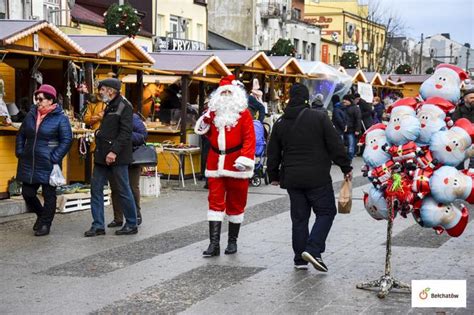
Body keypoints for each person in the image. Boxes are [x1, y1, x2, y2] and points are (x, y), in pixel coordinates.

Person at [267, 83, 352, 271]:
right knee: (326, 212)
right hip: (317, 177)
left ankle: (299, 259)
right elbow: (334, 144)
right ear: (307, 98)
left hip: (292, 178)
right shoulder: (319, 117)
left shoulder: (281, 122)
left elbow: (272, 151)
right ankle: (313, 248)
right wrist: (346, 166)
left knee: (299, 218)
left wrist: (273, 175)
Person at [194, 74, 256, 257]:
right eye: (224, 92)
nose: (227, 96)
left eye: (230, 92)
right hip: (215, 163)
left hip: (237, 164)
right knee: (214, 203)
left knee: (236, 203)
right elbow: (202, 131)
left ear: (236, 94)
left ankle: (232, 241)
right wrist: (205, 121)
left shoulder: (244, 114)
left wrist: (244, 160)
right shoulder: (213, 113)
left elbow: (249, 139)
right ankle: (214, 244)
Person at [15, 84, 73, 236]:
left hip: (48, 163)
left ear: (50, 100)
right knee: (27, 193)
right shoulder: (31, 114)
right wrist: (20, 150)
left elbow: (67, 140)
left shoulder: (61, 118)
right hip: (29, 161)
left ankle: (46, 224)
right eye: (37, 98)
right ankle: (41, 215)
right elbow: (21, 134)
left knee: (49, 195)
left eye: (41, 99)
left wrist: (55, 157)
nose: (38, 101)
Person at [84, 78, 138, 237]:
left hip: (117, 156)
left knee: (123, 189)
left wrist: (113, 152)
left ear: (111, 90)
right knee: (96, 189)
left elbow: (126, 133)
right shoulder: (109, 105)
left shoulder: (125, 106)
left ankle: (131, 223)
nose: (100, 92)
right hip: (102, 154)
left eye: (102, 89)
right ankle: (98, 225)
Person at [108, 113, 148, 227]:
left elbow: (143, 136)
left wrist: (124, 135)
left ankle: (136, 214)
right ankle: (118, 218)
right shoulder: (110, 117)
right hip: (115, 156)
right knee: (115, 187)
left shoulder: (133, 117)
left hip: (132, 157)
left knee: (132, 186)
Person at [452, 89, 474, 169]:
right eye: (471, 98)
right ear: (465, 99)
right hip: (463, 139)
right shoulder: (459, 110)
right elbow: (455, 123)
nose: (473, 100)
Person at [342, 94, 362, 161]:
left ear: (349, 101)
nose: (343, 101)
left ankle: (349, 158)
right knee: (346, 145)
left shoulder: (355, 108)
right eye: (343, 100)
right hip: (344, 129)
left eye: (345, 100)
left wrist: (357, 130)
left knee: (351, 146)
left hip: (351, 130)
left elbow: (358, 119)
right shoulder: (344, 107)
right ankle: (346, 158)